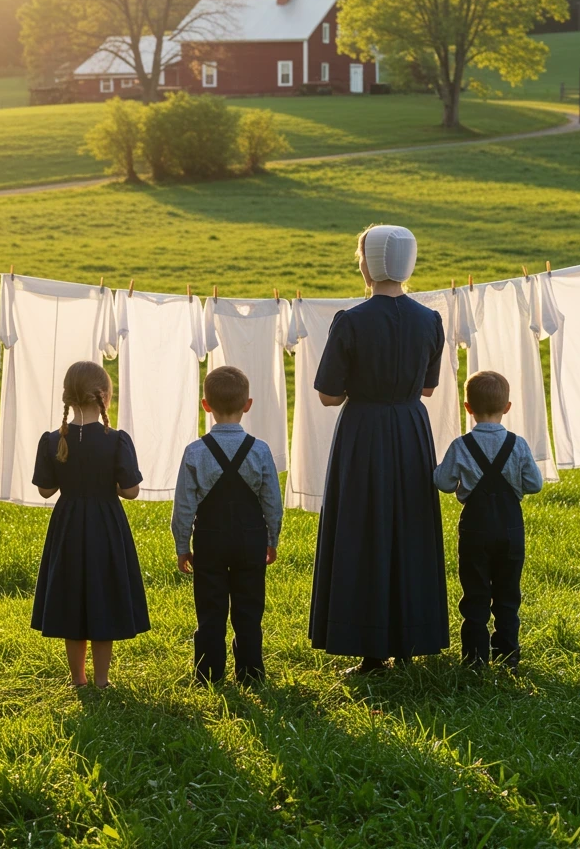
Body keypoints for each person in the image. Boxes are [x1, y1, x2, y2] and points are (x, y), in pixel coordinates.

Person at [311, 224, 449, 675]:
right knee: (408, 526)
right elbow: (428, 388)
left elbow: (329, 396)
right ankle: (410, 640)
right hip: (410, 428)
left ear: (367, 264)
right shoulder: (430, 320)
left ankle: (371, 651)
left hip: (364, 432)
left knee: (364, 529)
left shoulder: (350, 321)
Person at [31, 361, 150, 689]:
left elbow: (45, 489)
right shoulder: (116, 440)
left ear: (67, 396)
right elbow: (131, 491)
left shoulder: (53, 440)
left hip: (68, 527)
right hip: (105, 526)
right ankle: (101, 680)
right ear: (105, 398)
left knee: (72, 598)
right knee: (102, 596)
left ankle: (77, 680)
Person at [172, 366, 283, 685]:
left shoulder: (195, 452)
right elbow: (273, 504)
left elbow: (183, 507)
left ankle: (207, 673)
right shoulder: (260, 450)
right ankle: (251, 673)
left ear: (205, 405)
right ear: (247, 404)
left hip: (210, 541)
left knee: (209, 609)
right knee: (250, 609)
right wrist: (272, 538)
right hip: (250, 540)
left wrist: (183, 546)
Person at [434, 370, 543, 671]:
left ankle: (475, 660)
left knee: (475, 595)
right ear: (507, 407)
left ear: (467, 408)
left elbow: (443, 482)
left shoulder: (460, 445)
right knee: (508, 595)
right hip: (510, 530)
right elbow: (534, 485)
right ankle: (509, 658)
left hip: (474, 530)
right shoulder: (517, 445)